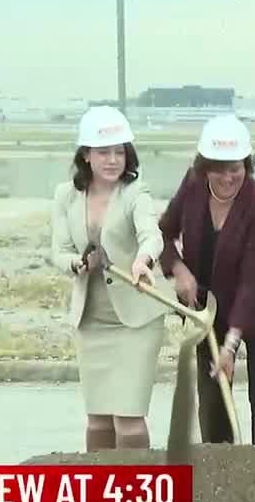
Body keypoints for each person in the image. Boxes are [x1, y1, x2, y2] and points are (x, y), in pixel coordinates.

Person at [158, 114, 255, 446]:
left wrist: (231, 345)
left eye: (236, 168)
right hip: (207, 306)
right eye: (219, 169)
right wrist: (178, 269)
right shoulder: (192, 186)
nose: (229, 177)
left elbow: (252, 277)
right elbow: (163, 232)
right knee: (214, 392)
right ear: (204, 167)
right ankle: (219, 468)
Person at [50, 106, 168, 451]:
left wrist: (143, 260)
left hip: (135, 320)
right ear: (86, 155)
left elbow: (152, 235)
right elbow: (59, 250)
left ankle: (138, 494)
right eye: (104, 152)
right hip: (92, 319)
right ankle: (101, 496)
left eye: (120, 152)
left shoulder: (135, 193)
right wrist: (76, 264)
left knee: (129, 418)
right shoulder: (65, 196)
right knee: (98, 417)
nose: (113, 160)